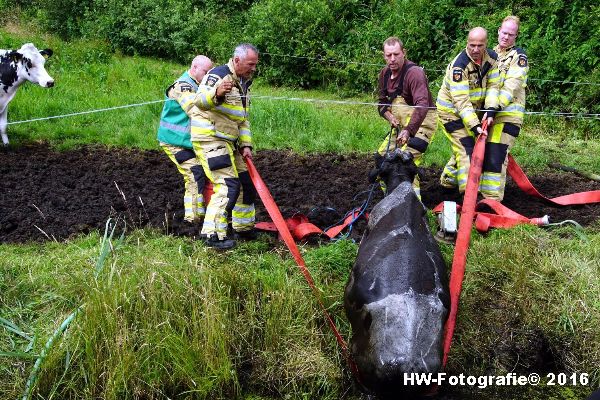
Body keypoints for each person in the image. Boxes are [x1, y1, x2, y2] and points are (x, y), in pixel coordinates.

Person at [190, 43, 259, 250]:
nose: (253, 68)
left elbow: (243, 119)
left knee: (246, 182)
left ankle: (243, 228)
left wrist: (246, 144)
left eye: (255, 65)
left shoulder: (244, 83)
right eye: (250, 64)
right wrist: (217, 93)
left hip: (229, 141)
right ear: (237, 61)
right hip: (210, 138)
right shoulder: (218, 75)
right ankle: (211, 235)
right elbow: (199, 100)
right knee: (227, 184)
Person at [437, 27, 500, 196]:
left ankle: (449, 179)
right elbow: (461, 102)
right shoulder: (459, 66)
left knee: (464, 147)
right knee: (466, 148)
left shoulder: (492, 58)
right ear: (467, 43)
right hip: (450, 112)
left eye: (480, 45)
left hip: (471, 111)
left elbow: (494, 86)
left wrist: (491, 110)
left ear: (486, 44)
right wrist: (474, 125)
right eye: (472, 45)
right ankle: (469, 196)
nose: (475, 49)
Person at [157, 55, 213, 235]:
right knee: (194, 174)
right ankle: (192, 220)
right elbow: (195, 109)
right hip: (174, 142)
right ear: (194, 67)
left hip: (187, 143)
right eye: (205, 72)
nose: (207, 77)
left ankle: (202, 215)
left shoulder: (197, 85)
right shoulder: (182, 86)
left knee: (204, 173)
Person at [376, 37, 437, 199]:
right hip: (401, 126)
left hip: (422, 123)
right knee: (382, 160)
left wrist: (409, 130)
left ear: (404, 53)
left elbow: (422, 104)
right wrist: (390, 117)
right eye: (388, 55)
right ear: (384, 56)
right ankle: (389, 200)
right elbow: (381, 105)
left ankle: (413, 205)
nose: (392, 59)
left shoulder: (414, 73)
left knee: (404, 162)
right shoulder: (383, 74)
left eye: (396, 54)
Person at [481, 15, 529, 201]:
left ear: (516, 36)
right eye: (504, 32)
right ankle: (452, 186)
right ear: (498, 31)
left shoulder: (519, 57)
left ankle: (491, 202)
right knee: (473, 150)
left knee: (495, 154)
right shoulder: (490, 53)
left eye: (511, 34)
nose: (506, 37)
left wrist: (494, 107)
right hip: (488, 113)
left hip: (507, 115)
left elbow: (511, 86)